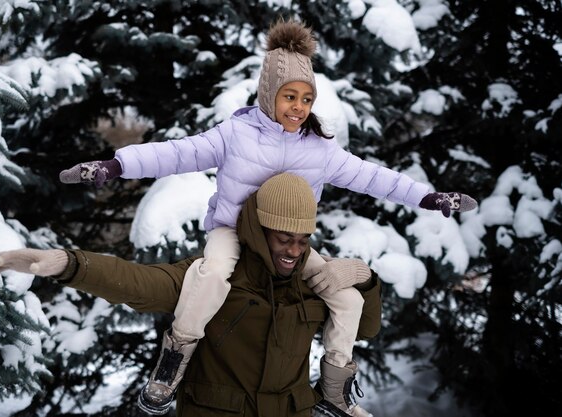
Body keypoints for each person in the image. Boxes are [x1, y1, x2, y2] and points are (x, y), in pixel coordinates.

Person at [58, 19, 478, 416]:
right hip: (231, 232)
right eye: (289, 96)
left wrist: (428, 197)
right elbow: (177, 152)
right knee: (211, 276)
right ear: (268, 94)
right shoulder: (234, 135)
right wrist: (116, 165)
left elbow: (373, 177)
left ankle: (334, 388)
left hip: (289, 242)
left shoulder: (320, 149)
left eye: (306, 99)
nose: (298, 108)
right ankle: (174, 361)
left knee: (347, 298)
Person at [0, 173, 383, 417]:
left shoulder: (310, 278)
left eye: (302, 240)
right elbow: (140, 284)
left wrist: (364, 279)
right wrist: (69, 264)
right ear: (261, 230)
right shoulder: (211, 275)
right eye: (284, 239)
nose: (294, 250)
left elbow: (363, 328)